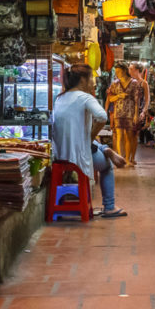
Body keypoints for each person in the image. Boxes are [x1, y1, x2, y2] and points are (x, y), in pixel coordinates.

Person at [51, 63, 128, 218]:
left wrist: (89, 139)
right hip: (77, 155)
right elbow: (102, 117)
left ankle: (105, 149)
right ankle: (109, 206)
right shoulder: (84, 97)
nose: (93, 82)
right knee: (107, 167)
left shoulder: (60, 98)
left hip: (60, 154)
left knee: (92, 143)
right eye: (91, 78)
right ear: (82, 80)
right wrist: (90, 138)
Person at [105, 62, 142, 166]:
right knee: (120, 135)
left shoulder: (134, 83)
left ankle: (128, 159)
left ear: (125, 71)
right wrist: (119, 96)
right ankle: (121, 159)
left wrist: (136, 114)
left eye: (119, 71)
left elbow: (137, 100)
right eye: (116, 71)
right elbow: (110, 98)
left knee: (129, 136)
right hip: (118, 112)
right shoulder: (115, 83)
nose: (117, 73)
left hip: (130, 113)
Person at [127, 62, 150, 164]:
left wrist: (144, 111)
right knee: (128, 134)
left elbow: (147, 99)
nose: (129, 71)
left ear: (137, 70)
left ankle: (132, 157)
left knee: (135, 134)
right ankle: (128, 157)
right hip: (128, 111)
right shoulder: (129, 82)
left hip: (139, 111)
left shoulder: (143, 83)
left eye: (131, 69)